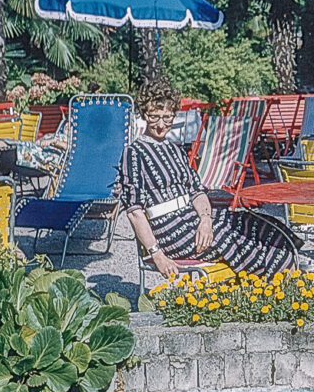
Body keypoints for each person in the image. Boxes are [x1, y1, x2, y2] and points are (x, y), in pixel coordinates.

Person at [119, 82, 296, 278]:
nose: (161, 124)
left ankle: (279, 288)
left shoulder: (174, 149)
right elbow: (135, 212)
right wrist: (157, 254)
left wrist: (205, 220)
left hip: (193, 218)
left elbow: (197, 190)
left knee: (265, 226)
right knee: (238, 238)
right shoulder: (133, 153)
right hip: (169, 229)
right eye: (154, 117)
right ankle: (267, 289)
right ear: (144, 115)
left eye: (167, 117)